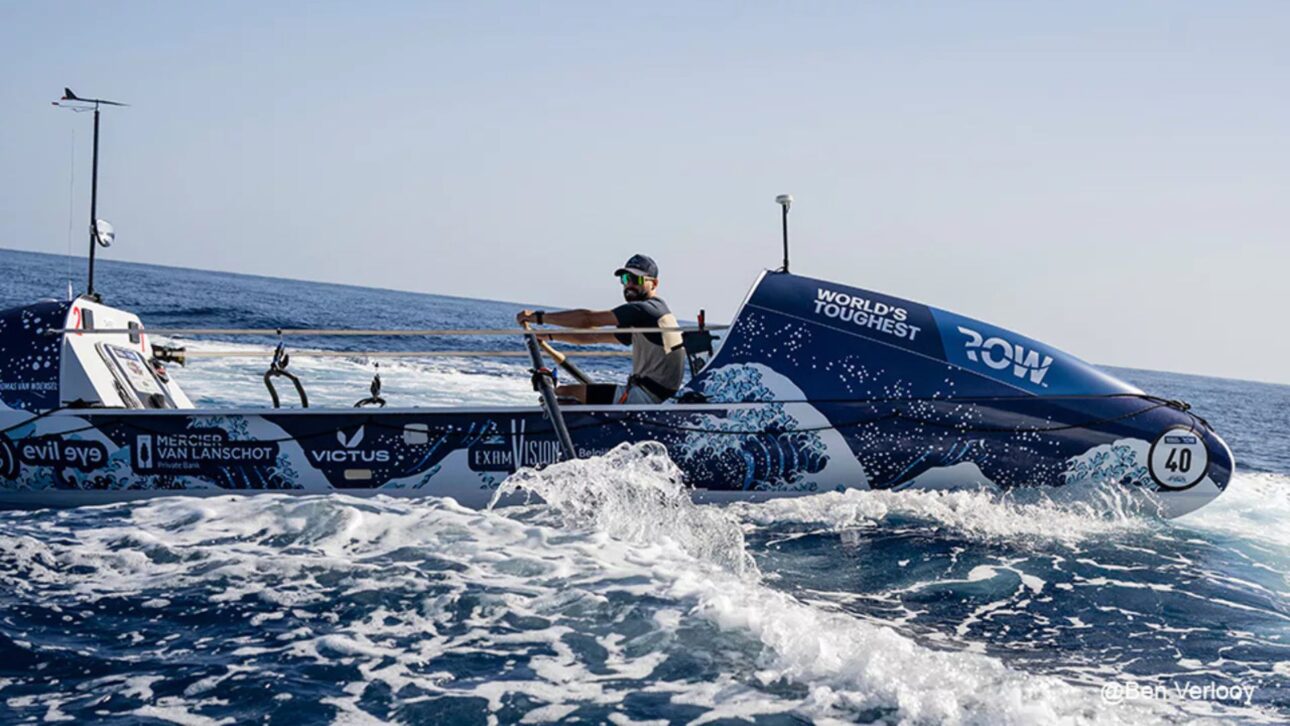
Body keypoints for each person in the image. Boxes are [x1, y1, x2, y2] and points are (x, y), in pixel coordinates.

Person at [515, 254, 685, 404]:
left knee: (561, 393)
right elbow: (592, 337)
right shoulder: (653, 314)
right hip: (658, 396)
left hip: (646, 397)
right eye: (626, 279)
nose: (629, 285)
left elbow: (587, 319)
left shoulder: (644, 310)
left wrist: (537, 318)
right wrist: (548, 336)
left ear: (654, 283)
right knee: (571, 393)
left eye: (637, 280)